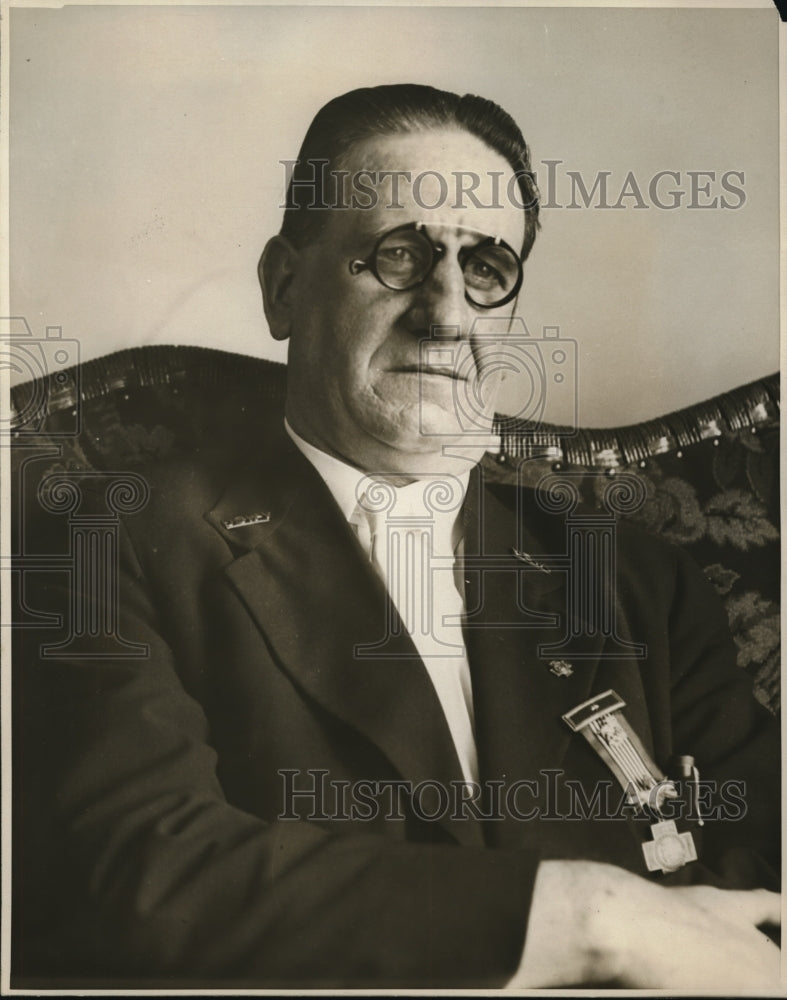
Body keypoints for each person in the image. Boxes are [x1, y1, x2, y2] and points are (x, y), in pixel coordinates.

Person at [12, 84, 780, 990]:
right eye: (400, 255)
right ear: (284, 288)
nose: (446, 312)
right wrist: (588, 918)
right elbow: (146, 874)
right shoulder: (110, 542)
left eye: (485, 268)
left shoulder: (629, 576)